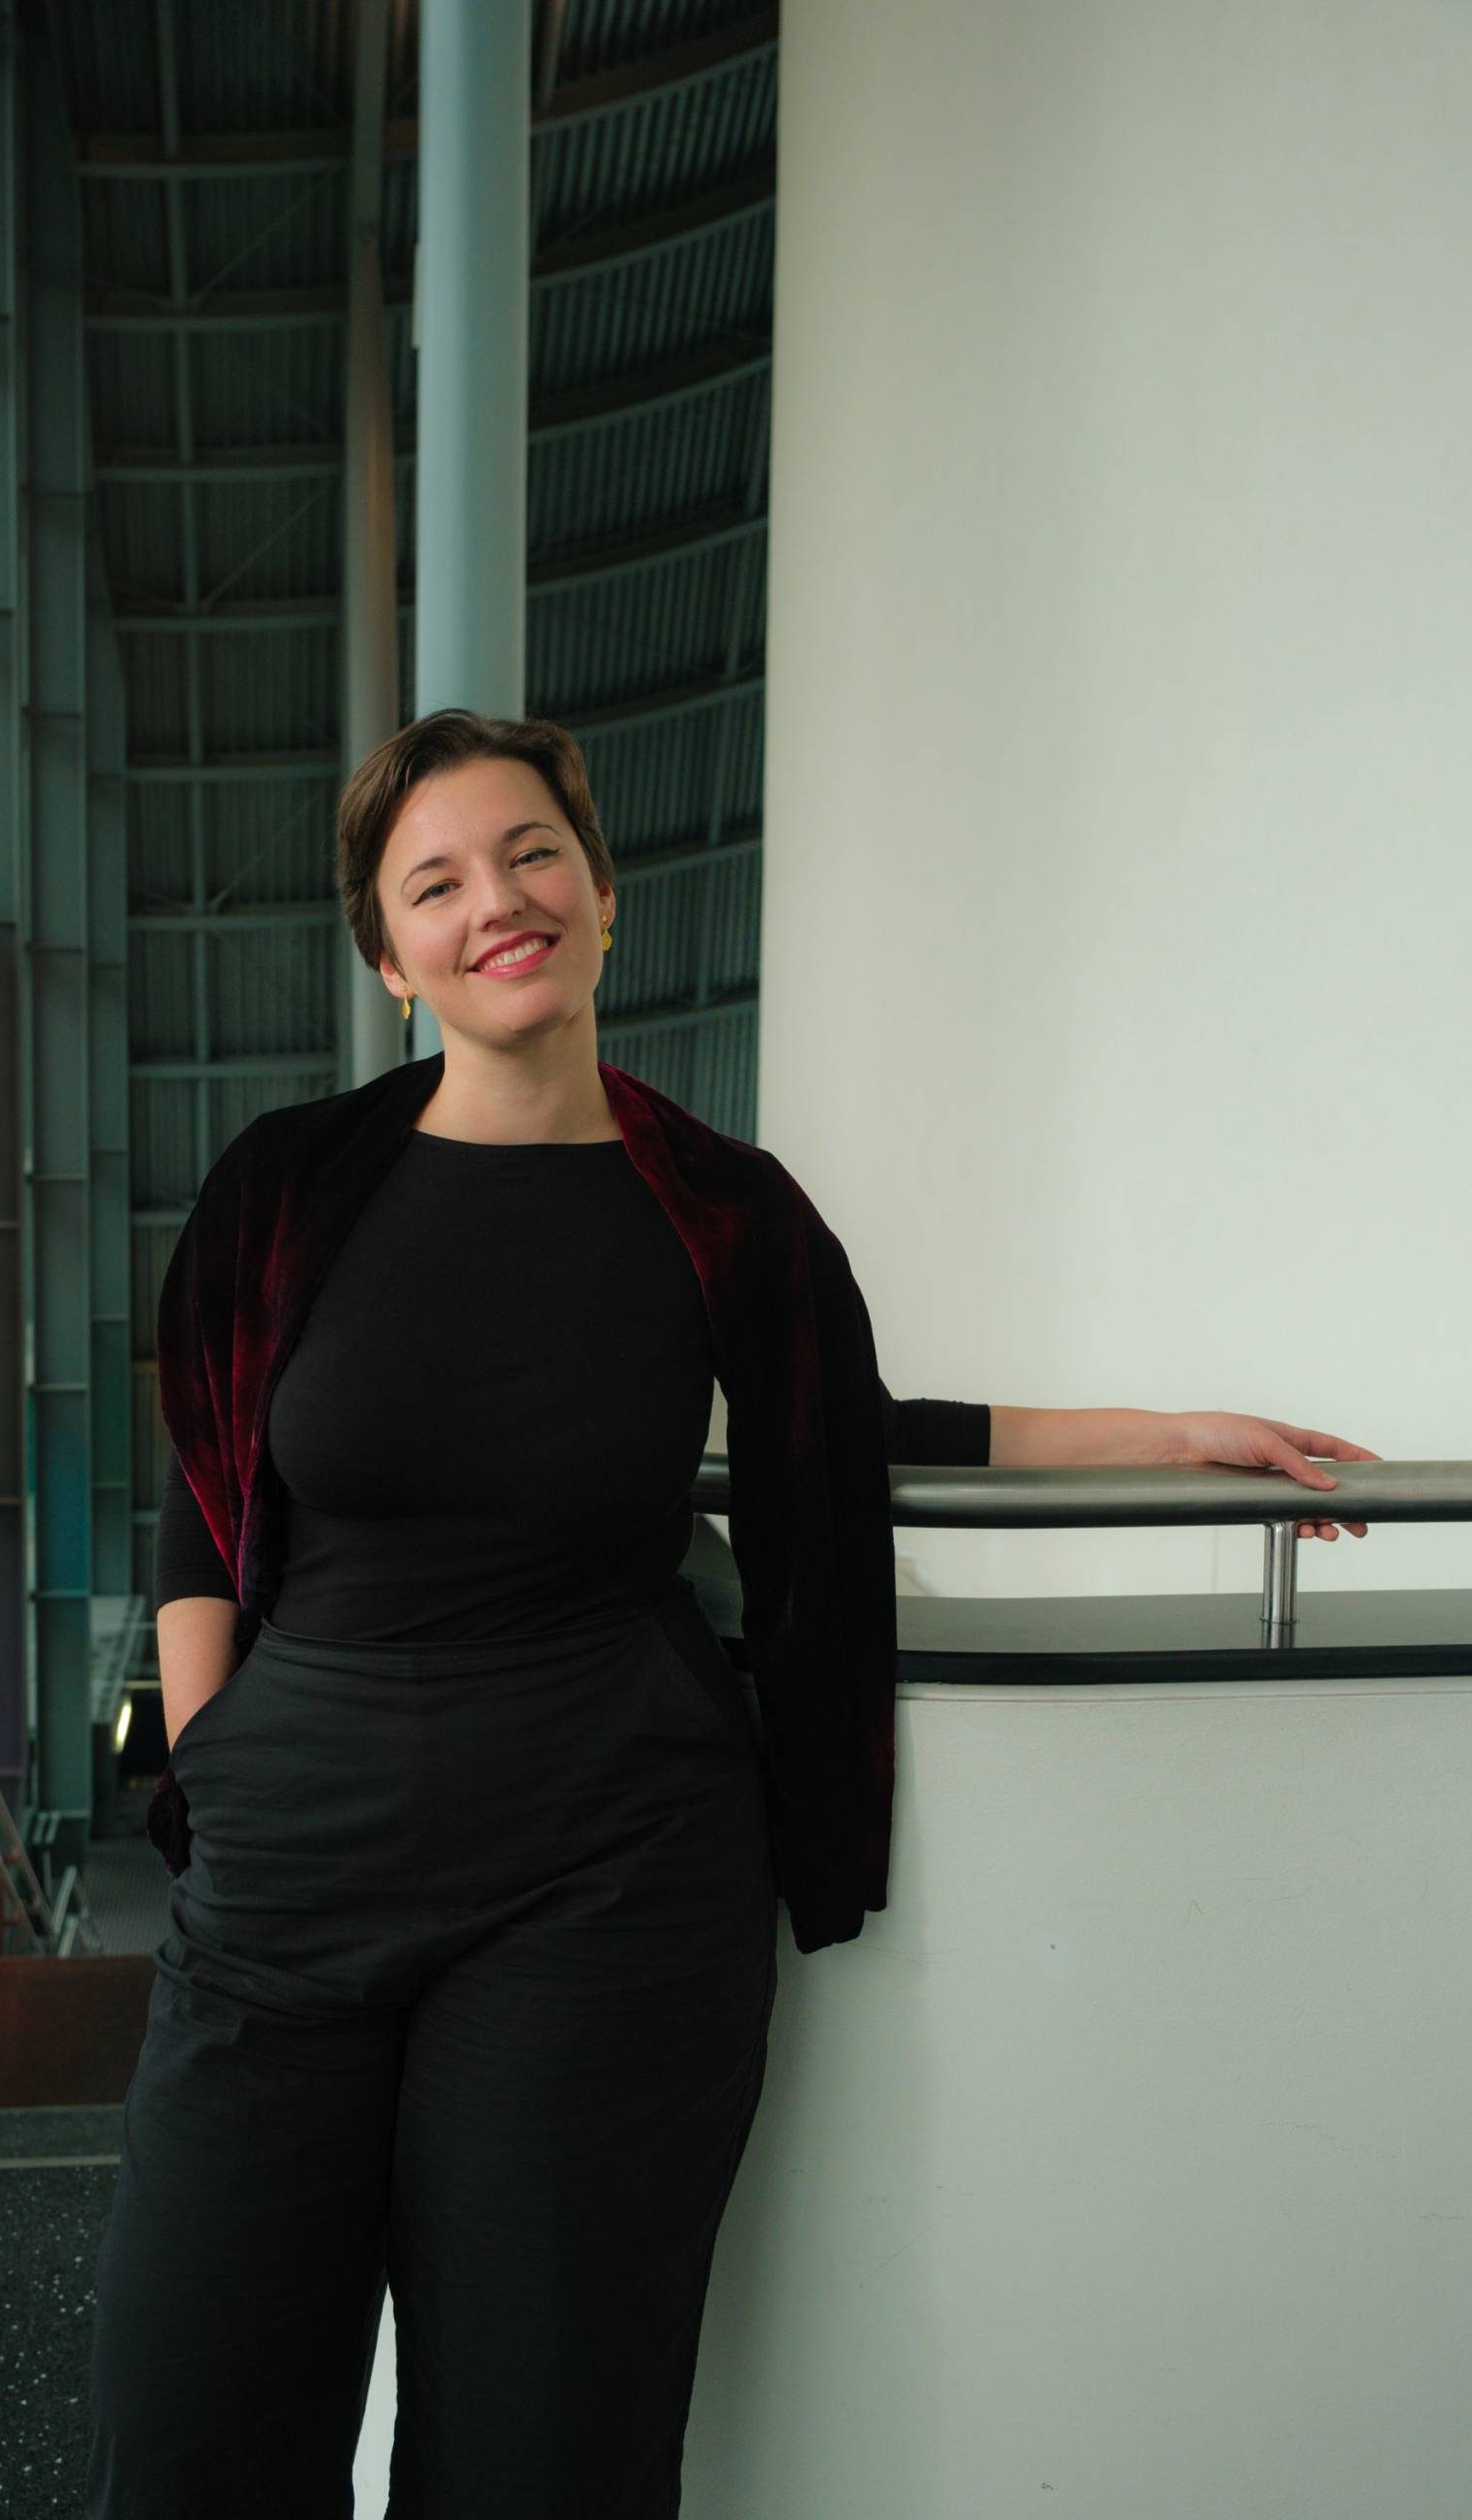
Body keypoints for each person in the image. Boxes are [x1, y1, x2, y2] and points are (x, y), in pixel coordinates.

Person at [86, 709, 1375, 2518]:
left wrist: (1168, 1434)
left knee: (546, 2454)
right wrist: (211, 1782)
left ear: (607, 899)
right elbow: (205, 1509)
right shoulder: (287, 1188)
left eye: (533, 854)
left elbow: (842, 1434)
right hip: (289, 1855)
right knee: (196, 2425)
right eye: (435, 883)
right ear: (391, 960)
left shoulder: (723, 1217)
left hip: (603, 1883)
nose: (498, 902)